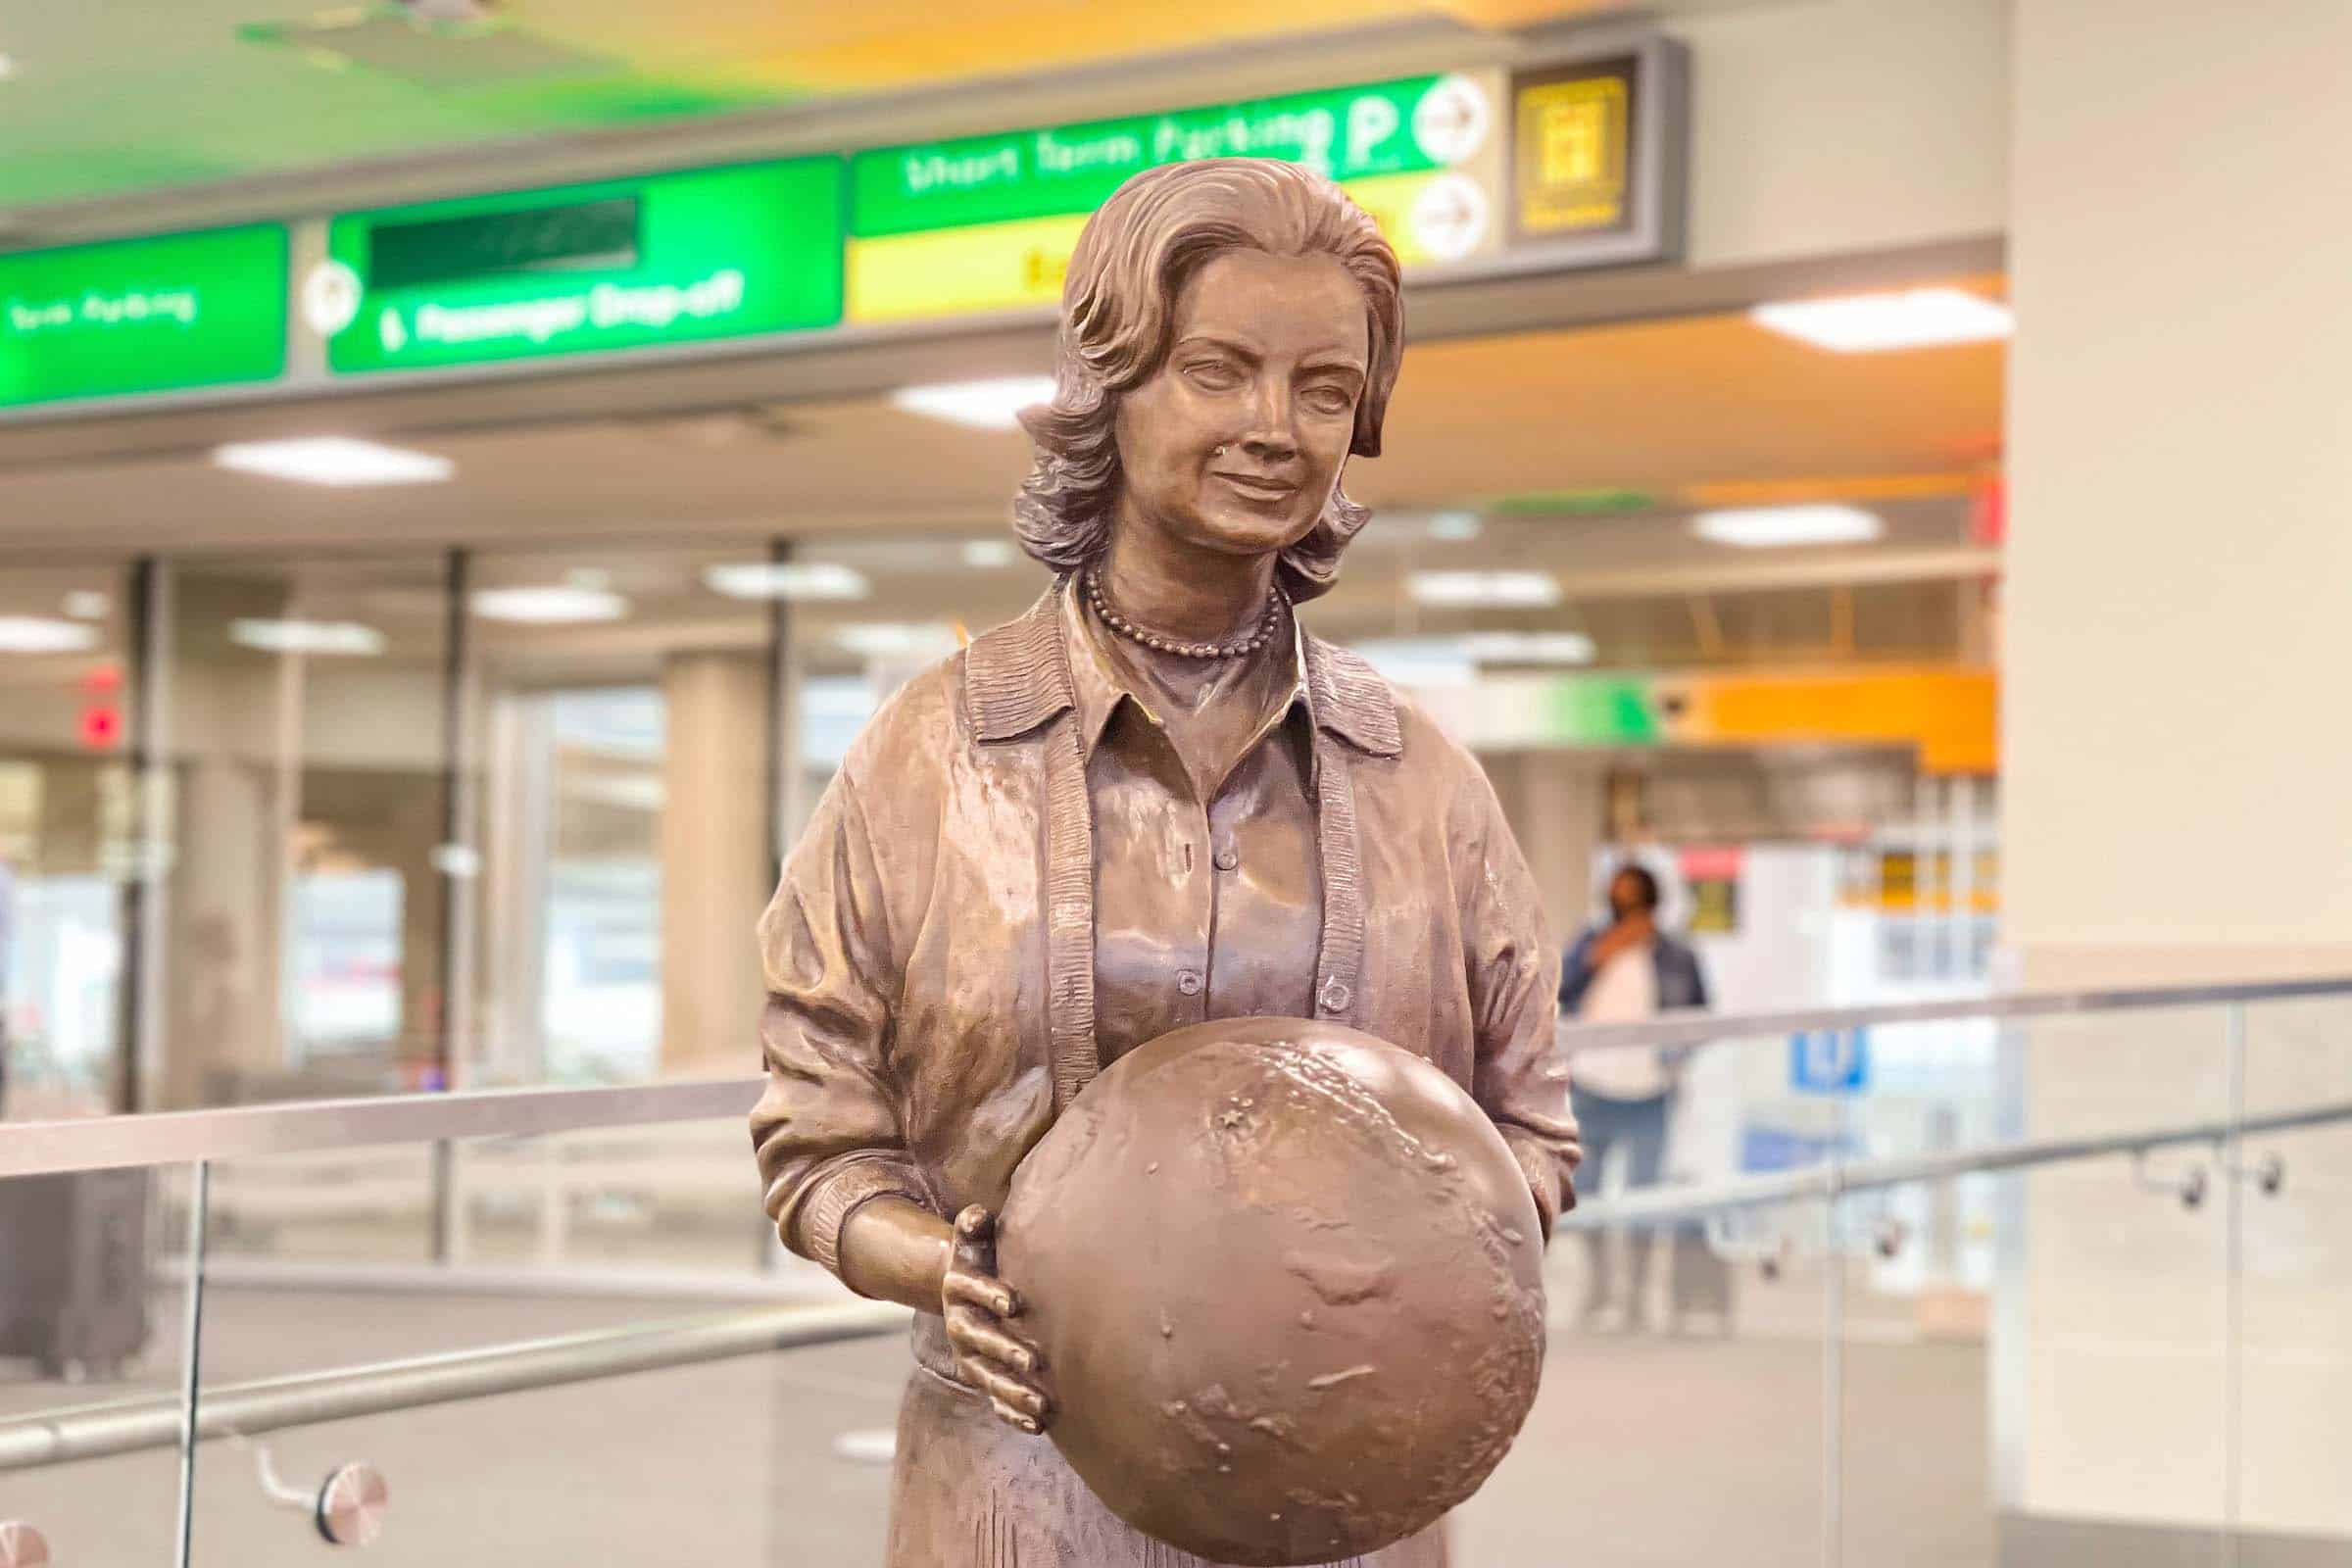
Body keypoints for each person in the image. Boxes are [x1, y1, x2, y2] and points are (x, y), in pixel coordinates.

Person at [749, 159, 1579, 1567]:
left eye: (1324, 389)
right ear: (1110, 386)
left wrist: (1416, 1267)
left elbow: (1532, 1132)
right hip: (1017, 1479)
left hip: (1349, 1494)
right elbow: (815, 1147)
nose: (1276, 427)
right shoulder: (930, 757)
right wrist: (946, 1273)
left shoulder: (1422, 780)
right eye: (1219, 370)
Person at [1558, 862, 1709, 1331]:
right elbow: (1558, 989)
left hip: (1650, 1090)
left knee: (1646, 1198)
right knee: (1587, 1194)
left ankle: (1638, 1296)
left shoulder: (1675, 954)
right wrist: (1600, 953)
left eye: (1632, 894)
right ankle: (1601, 1289)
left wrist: (1676, 1057)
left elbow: (1700, 1013)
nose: (1623, 902)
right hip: (1591, 1086)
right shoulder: (1591, 941)